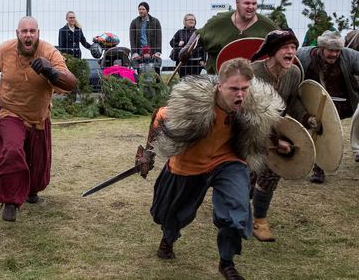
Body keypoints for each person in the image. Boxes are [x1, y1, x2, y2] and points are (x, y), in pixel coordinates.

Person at [150, 58, 284, 280]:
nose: (240, 95)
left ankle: (227, 263)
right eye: (233, 88)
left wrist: (279, 142)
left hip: (227, 161)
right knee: (174, 213)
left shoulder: (253, 105)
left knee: (236, 207)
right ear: (219, 86)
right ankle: (168, 239)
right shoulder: (192, 106)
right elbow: (159, 117)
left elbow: (265, 126)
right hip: (190, 163)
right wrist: (146, 153)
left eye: (244, 89)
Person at [0, 16, 77, 222]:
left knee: (37, 168)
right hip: (10, 112)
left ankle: (31, 189)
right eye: (24, 31)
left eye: (32, 31)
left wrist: (50, 71)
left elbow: (70, 82)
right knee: (12, 150)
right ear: (17, 33)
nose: (28, 35)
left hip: (38, 117)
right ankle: (10, 201)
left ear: (38, 33)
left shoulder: (49, 52)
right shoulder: (5, 49)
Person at [249, 29, 313, 242]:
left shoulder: (294, 73)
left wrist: (306, 118)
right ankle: (240, 206)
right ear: (273, 50)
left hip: (279, 127)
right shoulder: (255, 72)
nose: (291, 52)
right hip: (251, 128)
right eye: (286, 47)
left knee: (271, 172)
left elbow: (293, 101)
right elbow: (251, 110)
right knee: (248, 174)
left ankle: (259, 220)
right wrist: (274, 138)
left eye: (294, 48)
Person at [297, 30, 359, 183]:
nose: (334, 54)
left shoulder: (349, 56)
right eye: (331, 50)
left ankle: (320, 165)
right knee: (317, 125)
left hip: (341, 102)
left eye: (337, 50)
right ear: (321, 48)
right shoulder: (303, 56)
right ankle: (317, 167)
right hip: (310, 101)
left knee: (325, 128)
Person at [195, 0, 277, 74]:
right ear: (237, 3)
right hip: (218, 78)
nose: (251, 7)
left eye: (254, 3)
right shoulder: (219, 22)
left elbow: (283, 45)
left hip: (255, 81)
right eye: (247, 3)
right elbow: (198, 35)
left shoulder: (268, 26)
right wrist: (187, 48)